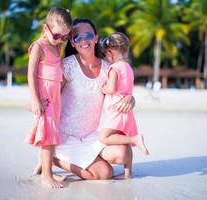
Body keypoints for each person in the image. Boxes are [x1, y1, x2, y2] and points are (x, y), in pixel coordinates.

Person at [47, 18, 135, 180]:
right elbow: (50, 98)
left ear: (95, 37)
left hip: (92, 136)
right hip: (65, 138)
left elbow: (122, 91)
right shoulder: (67, 66)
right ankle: (53, 159)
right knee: (105, 174)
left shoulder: (108, 68)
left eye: (87, 35)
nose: (83, 40)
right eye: (77, 37)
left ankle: (90, 159)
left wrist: (131, 99)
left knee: (123, 154)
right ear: (73, 43)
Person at [24, 7, 72, 188]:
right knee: (47, 135)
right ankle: (47, 175)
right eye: (58, 35)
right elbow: (30, 75)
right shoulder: (39, 47)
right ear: (46, 27)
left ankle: (43, 166)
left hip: (55, 96)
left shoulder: (57, 45)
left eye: (65, 37)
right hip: (45, 97)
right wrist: (35, 100)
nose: (61, 40)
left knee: (52, 132)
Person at [99, 32, 149, 179]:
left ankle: (136, 139)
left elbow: (111, 88)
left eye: (105, 54)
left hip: (116, 109)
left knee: (105, 137)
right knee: (123, 139)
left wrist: (102, 88)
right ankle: (128, 173)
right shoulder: (128, 67)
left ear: (110, 52)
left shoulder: (114, 68)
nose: (106, 57)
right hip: (126, 110)